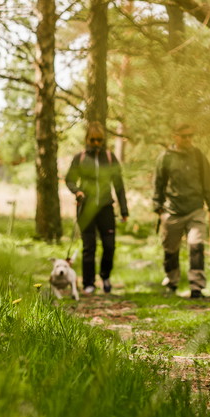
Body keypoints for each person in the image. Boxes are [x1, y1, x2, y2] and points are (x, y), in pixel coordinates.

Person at [152, 123, 210, 299]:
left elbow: (207, 182)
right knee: (170, 249)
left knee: (196, 245)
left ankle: (196, 287)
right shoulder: (165, 157)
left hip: (195, 209)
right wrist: (158, 208)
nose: (188, 139)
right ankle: (171, 282)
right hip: (171, 210)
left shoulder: (198, 156)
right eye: (184, 136)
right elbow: (158, 183)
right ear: (175, 136)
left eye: (191, 136)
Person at [65, 122, 129, 295]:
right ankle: (89, 283)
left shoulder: (110, 157)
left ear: (103, 140)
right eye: (93, 140)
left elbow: (119, 185)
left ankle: (105, 276)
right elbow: (69, 179)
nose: (96, 143)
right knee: (89, 247)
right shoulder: (80, 158)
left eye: (99, 140)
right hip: (85, 207)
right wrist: (77, 191)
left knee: (109, 246)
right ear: (87, 139)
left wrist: (124, 210)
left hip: (106, 208)